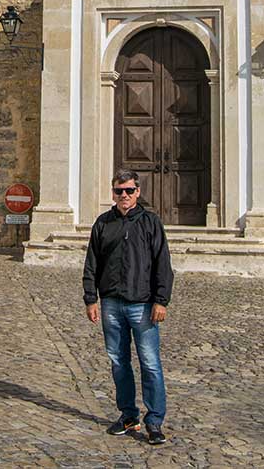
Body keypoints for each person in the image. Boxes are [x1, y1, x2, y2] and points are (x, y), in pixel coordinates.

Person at [83, 170, 173, 446]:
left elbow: (163, 264)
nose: (124, 195)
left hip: (143, 304)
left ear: (138, 191)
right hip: (111, 303)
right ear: (113, 193)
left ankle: (154, 421)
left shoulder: (150, 222)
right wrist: (90, 299)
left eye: (129, 190)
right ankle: (128, 415)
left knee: (150, 364)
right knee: (118, 361)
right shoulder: (103, 223)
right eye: (119, 191)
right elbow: (92, 263)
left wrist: (161, 300)